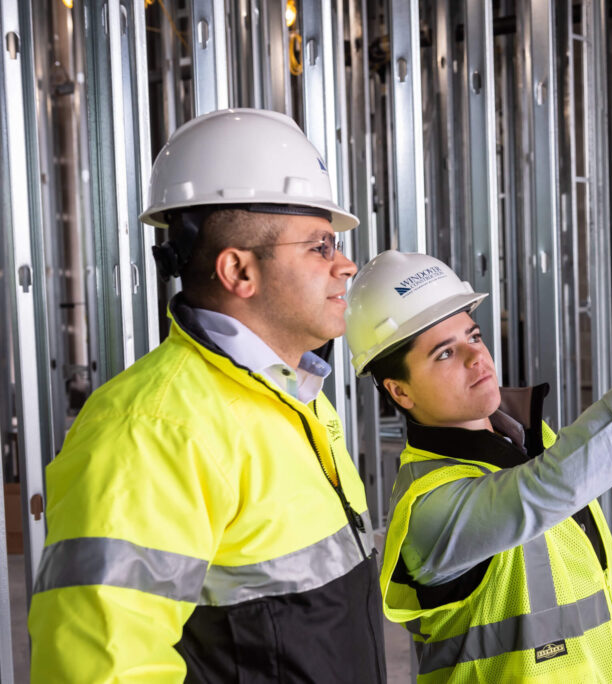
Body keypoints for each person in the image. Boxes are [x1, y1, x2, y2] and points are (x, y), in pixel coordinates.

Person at [27, 109, 385, 682]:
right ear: (238, 270)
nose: (345, 264)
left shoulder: (294, 396)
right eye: (320, 245)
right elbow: (101, 667)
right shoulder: (151, 428)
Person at [344, 249, 612, 682]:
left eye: (473, 336)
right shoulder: (429, 508)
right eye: (444, 354)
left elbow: (603, 585)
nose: (476, 358)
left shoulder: (533, 439)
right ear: (400, 392)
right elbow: (554, 485)